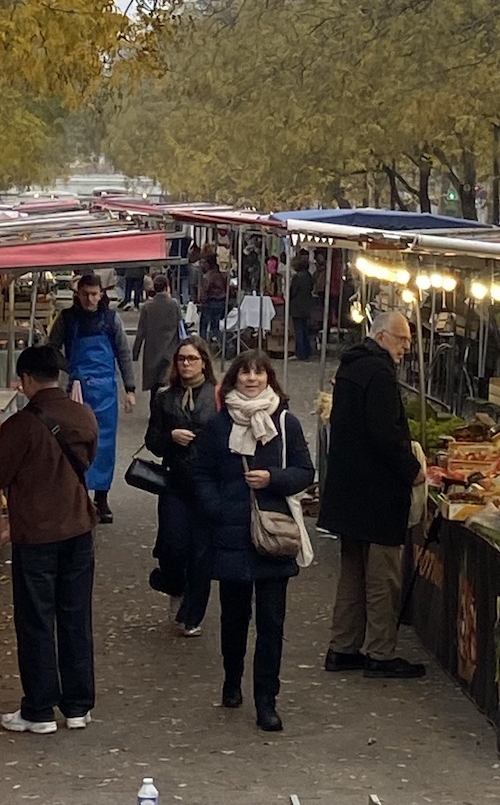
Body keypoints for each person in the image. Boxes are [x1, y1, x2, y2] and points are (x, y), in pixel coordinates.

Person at [191, 350, 314, 733]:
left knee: (272, 623)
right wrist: (219, 507)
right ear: (233, 379)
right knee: (233, 617)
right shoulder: (218, 425)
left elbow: (305, 471)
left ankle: (266, 700)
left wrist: (273, 479)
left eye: (259, 373)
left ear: (269, 379)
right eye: (244, 373)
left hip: (273, 533)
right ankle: (231, 678)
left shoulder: (285, 423)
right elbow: (200, 472)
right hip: (230, 533)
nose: (251, 379)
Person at [0, 345, 98, 735]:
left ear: (27, 378)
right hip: (78, 528)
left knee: (36, 620)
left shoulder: (21, 426)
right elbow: (89, 458)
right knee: (75, 616)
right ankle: (78, 705)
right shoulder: (83, 415)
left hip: (36, 534)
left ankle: (40, 708)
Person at [319, 311, 426, 679]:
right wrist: (412, 470)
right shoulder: (378, 373)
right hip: (376, 494)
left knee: (352, 573)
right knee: (383, 578)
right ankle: (380, 653)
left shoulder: (352, 366)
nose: (407, 347)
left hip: (349, 492)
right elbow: (385, 433)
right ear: (381, 335)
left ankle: (343, 646)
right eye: (402, 339)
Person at [48, 273, 136, 524]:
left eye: (94, 294)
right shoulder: (66, 319)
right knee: (75, 443)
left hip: (106, 391)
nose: (90, 298)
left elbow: (123, 353)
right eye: (85, 294)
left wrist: (129, 389)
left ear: (102, 293)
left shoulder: (111, 320)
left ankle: (102, 499)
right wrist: (70, 369)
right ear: (78, 294)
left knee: (105, 445)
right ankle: (79, 496)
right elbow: (51, 349)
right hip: (77, 392)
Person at [144, 337, 218, 636]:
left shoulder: (217, 397)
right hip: (175, 481)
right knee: (173, 544)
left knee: (201, 552)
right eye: (181, 359)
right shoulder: (165, 398)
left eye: (192, 359)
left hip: (207, 483)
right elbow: (152, 441)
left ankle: (193, 615)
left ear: (203, 362)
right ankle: (174, 585)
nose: (186, 364)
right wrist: (170, 437)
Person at [132, 274, 184, 404]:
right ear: (167, 287)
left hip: (152, 351)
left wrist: (135, 353)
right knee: (167, 382)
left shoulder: (147, 306)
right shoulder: (174, 304)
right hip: (171, 350)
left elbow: (141, 332)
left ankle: (154, 411)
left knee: (154, 386)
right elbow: (180, 326)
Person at [289, 255, 315, 361]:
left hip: (297, 307)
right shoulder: (308, 276)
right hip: (306, 306)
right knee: (304, 330)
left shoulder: (298, 277)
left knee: (299, 330)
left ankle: (301, 353)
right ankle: (307, 351)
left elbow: (293, 292)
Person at [197, 256, 227, 345]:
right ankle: (221, 346)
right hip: (220, 303)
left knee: (204, 326)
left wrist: (200, 301)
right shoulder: (220, 275)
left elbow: (204, 291)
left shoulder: (207, 276)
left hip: (209, 303)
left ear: (208, 264)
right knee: (215, 326)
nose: (201, 265)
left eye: (203, 263)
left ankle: (202, 345)